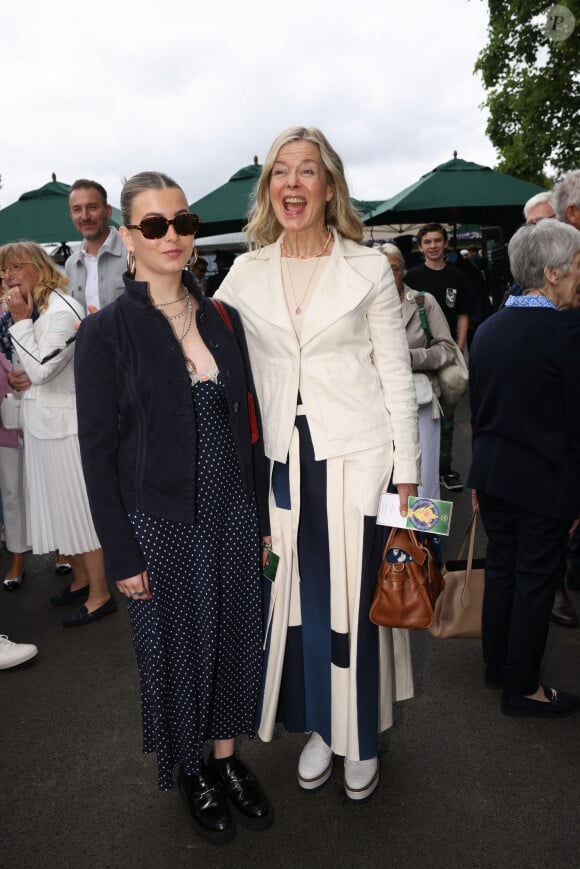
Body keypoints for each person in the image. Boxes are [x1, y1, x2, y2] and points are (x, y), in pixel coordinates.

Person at [216, 126, 420, 802]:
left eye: (308, 171)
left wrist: (410, 486)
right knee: (296, 603)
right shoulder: (244, 274)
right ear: (269, 188)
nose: (294, 184)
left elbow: (396, 378)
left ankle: (357, 734)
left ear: (329, 186)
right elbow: (222, 367)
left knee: (354, 608)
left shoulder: (367, 268)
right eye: (282, 172)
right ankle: (316, 727)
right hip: (282, 463)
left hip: (359, 459)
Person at [74, 171, 273, 843]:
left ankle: (226, 758)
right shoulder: (106, 333)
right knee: (179, 651)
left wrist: (264, 523)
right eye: (154, 224)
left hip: (234, 512)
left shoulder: (223, 318)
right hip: (159, 523)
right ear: (128, 237)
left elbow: (252, 425)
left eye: (182, 222)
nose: (173, 236)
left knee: (236, 635)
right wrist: (121, 551)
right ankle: (191, 769)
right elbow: (96, 453)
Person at [467, 219, 580, 717]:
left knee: (504, 572)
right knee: (535, 579)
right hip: (544, 479)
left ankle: (498, 668)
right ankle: (524, 688)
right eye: (577, 266)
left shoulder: (489, 329)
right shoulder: (564, 333)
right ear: (552, 272)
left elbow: (480, 410)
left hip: (493, 475)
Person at [0, 243, 115, 626]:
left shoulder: (62, 309)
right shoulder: (39, 309)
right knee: (61, 512)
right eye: (3, 272)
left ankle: (100, 595)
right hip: (41, 426)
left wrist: (18, 321)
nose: (8, 277)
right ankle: (81, 580)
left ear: (39, 267)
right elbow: (33, 369)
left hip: (66, 430)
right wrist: (20, 380)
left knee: (79, 513)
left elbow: (45, 369)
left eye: (16, 267)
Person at [379, 243, 455, 504]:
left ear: (403, 270)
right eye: (383, 271)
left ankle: (426, 542)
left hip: (421, 401)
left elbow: (447, 350)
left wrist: (408, 358)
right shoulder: (364, 306)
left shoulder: (423, 302)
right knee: (385, 478)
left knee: (424, 477)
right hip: (378, 402)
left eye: (395, 269)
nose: (390, 277)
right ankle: (392, 542)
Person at [405, 223, 471, 492]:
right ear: (420, 247)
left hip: (446, 352)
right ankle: (422, 471)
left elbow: (463, 314)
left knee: (448, 414)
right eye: (427, 242)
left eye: (437, 241)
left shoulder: (458, 277)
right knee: (424, 418)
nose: (432, 246)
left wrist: (458, 348)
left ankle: (444, 468)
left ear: (445, 244)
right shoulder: (414, 277)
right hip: (423, 355)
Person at [65, 179, 126, 311]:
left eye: (92, 207)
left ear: (108, 211)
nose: (85, 216)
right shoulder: (71, 265)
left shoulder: (132, 253)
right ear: (71, 216)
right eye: (77, 209)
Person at [0, 351, 30, 590]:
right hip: (5, 424)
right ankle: (17, 556)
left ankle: (64, 550)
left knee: (48, 488)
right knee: (12, 494)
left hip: (39, 414)